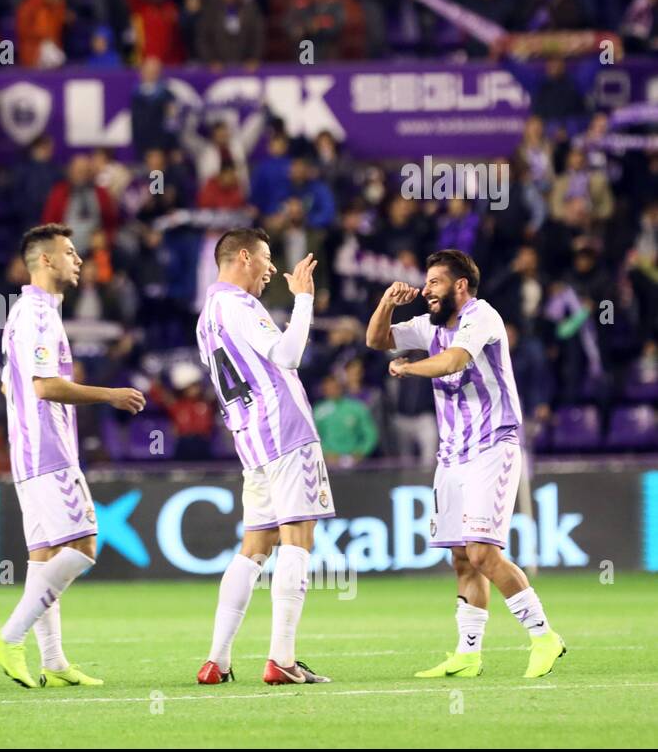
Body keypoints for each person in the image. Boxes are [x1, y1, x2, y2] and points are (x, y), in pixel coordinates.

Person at [365, 250, 567, 679]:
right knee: (460, 557)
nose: (426, 290)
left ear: (460, 285)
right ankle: (468, 654)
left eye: (435, 282)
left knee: (482, 552)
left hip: (493, 445)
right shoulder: (427, 325)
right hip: (452, 454)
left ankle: (544, 635)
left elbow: (455, 360)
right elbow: (376, 341)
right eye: (426, 282)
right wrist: (387, 303)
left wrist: (408, 368)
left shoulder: (482, 318)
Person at [0, 224, 146, 689]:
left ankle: (53, 664)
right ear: (47, 260)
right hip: (49, 451)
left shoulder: (25, 314)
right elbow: (43, 385)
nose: (80, 260)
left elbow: (6, 384)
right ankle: (9, 638)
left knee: (44, 556)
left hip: (29, 453)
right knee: (83, 546)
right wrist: (110, 395)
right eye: (71, 252)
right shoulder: (37, 314)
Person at [195, 229, 334, 686]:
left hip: (251, 442)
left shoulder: (206, 317)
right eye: (267, 258)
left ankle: (217, 659)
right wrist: (304, 300)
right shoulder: (240, 305)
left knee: (254, 547)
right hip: (287, 436)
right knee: (298, 540)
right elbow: (289, 355)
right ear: (242, 257)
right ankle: (283, 659)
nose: (273, 269)